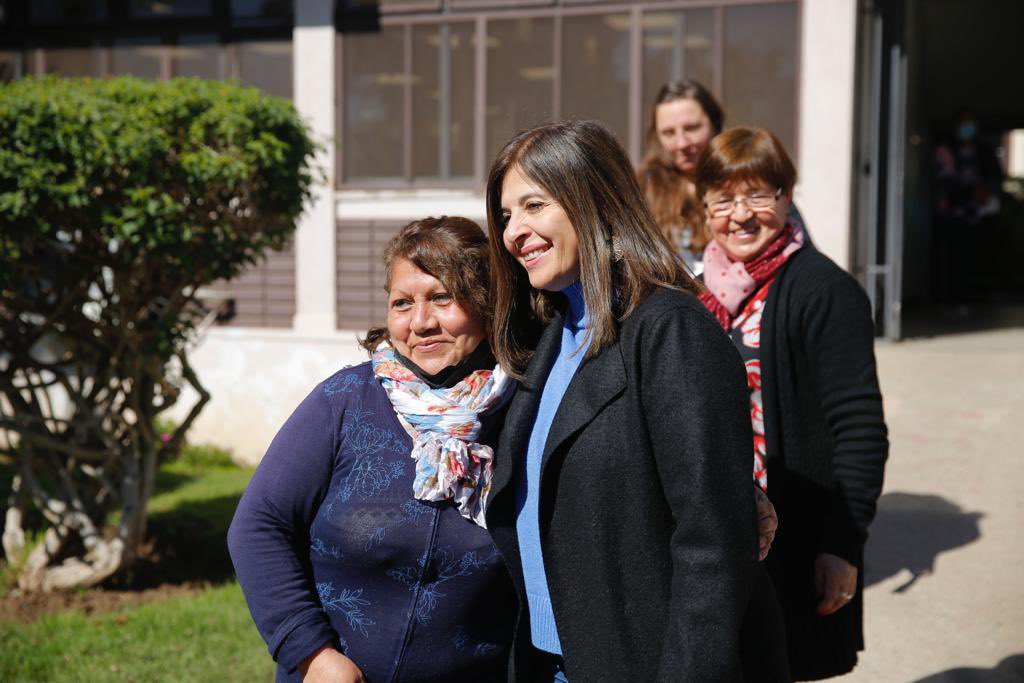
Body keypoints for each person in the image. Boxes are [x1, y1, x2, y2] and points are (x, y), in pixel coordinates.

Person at [482, 119, 791, 682]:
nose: (513, 232)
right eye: (506, 215)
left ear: (591, 197)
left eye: (533, 205)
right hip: (548, 663)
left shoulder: (670, 329)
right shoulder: (552, 336)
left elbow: (713, 543)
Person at [227, 217, 518, 682]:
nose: (421, 323)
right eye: (402, 303)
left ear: (486, 300)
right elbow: (259, 526)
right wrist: (312, 655)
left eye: (442, 297)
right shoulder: (344, 401)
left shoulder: (521, 412)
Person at [695, 126, 889, 680]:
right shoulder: (697, 290)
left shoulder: (823, 290)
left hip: (795, 537)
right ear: (704, 205)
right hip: (718, 535)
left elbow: (859, 429)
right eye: (725, 198)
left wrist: (842, 545)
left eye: (759, 194)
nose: (741, 213)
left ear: (786, 196)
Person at [638, 80, 809, 276]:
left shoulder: (753, 180)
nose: (682, 143)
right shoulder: (644, 189)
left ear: (715, 124)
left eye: (692, 128)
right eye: (668, 133)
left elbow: (801, 251)